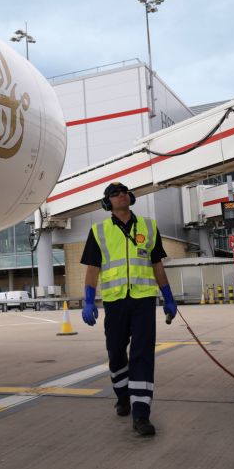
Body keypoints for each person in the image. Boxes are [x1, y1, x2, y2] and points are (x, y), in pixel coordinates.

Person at [80, 182, 177, 436]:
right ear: (107, 202)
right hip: (115, 301)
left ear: (130, 197)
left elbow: (157, 265)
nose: (120, 195)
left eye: (124, 191)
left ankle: (141, 414)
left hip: (144, 300)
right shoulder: (98, 230)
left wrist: (168, 297)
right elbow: (92, 269)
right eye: (114, 193)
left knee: (142, 355)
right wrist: (89, 300)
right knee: (115, 353)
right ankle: (123, 395)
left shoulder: (149, 226)